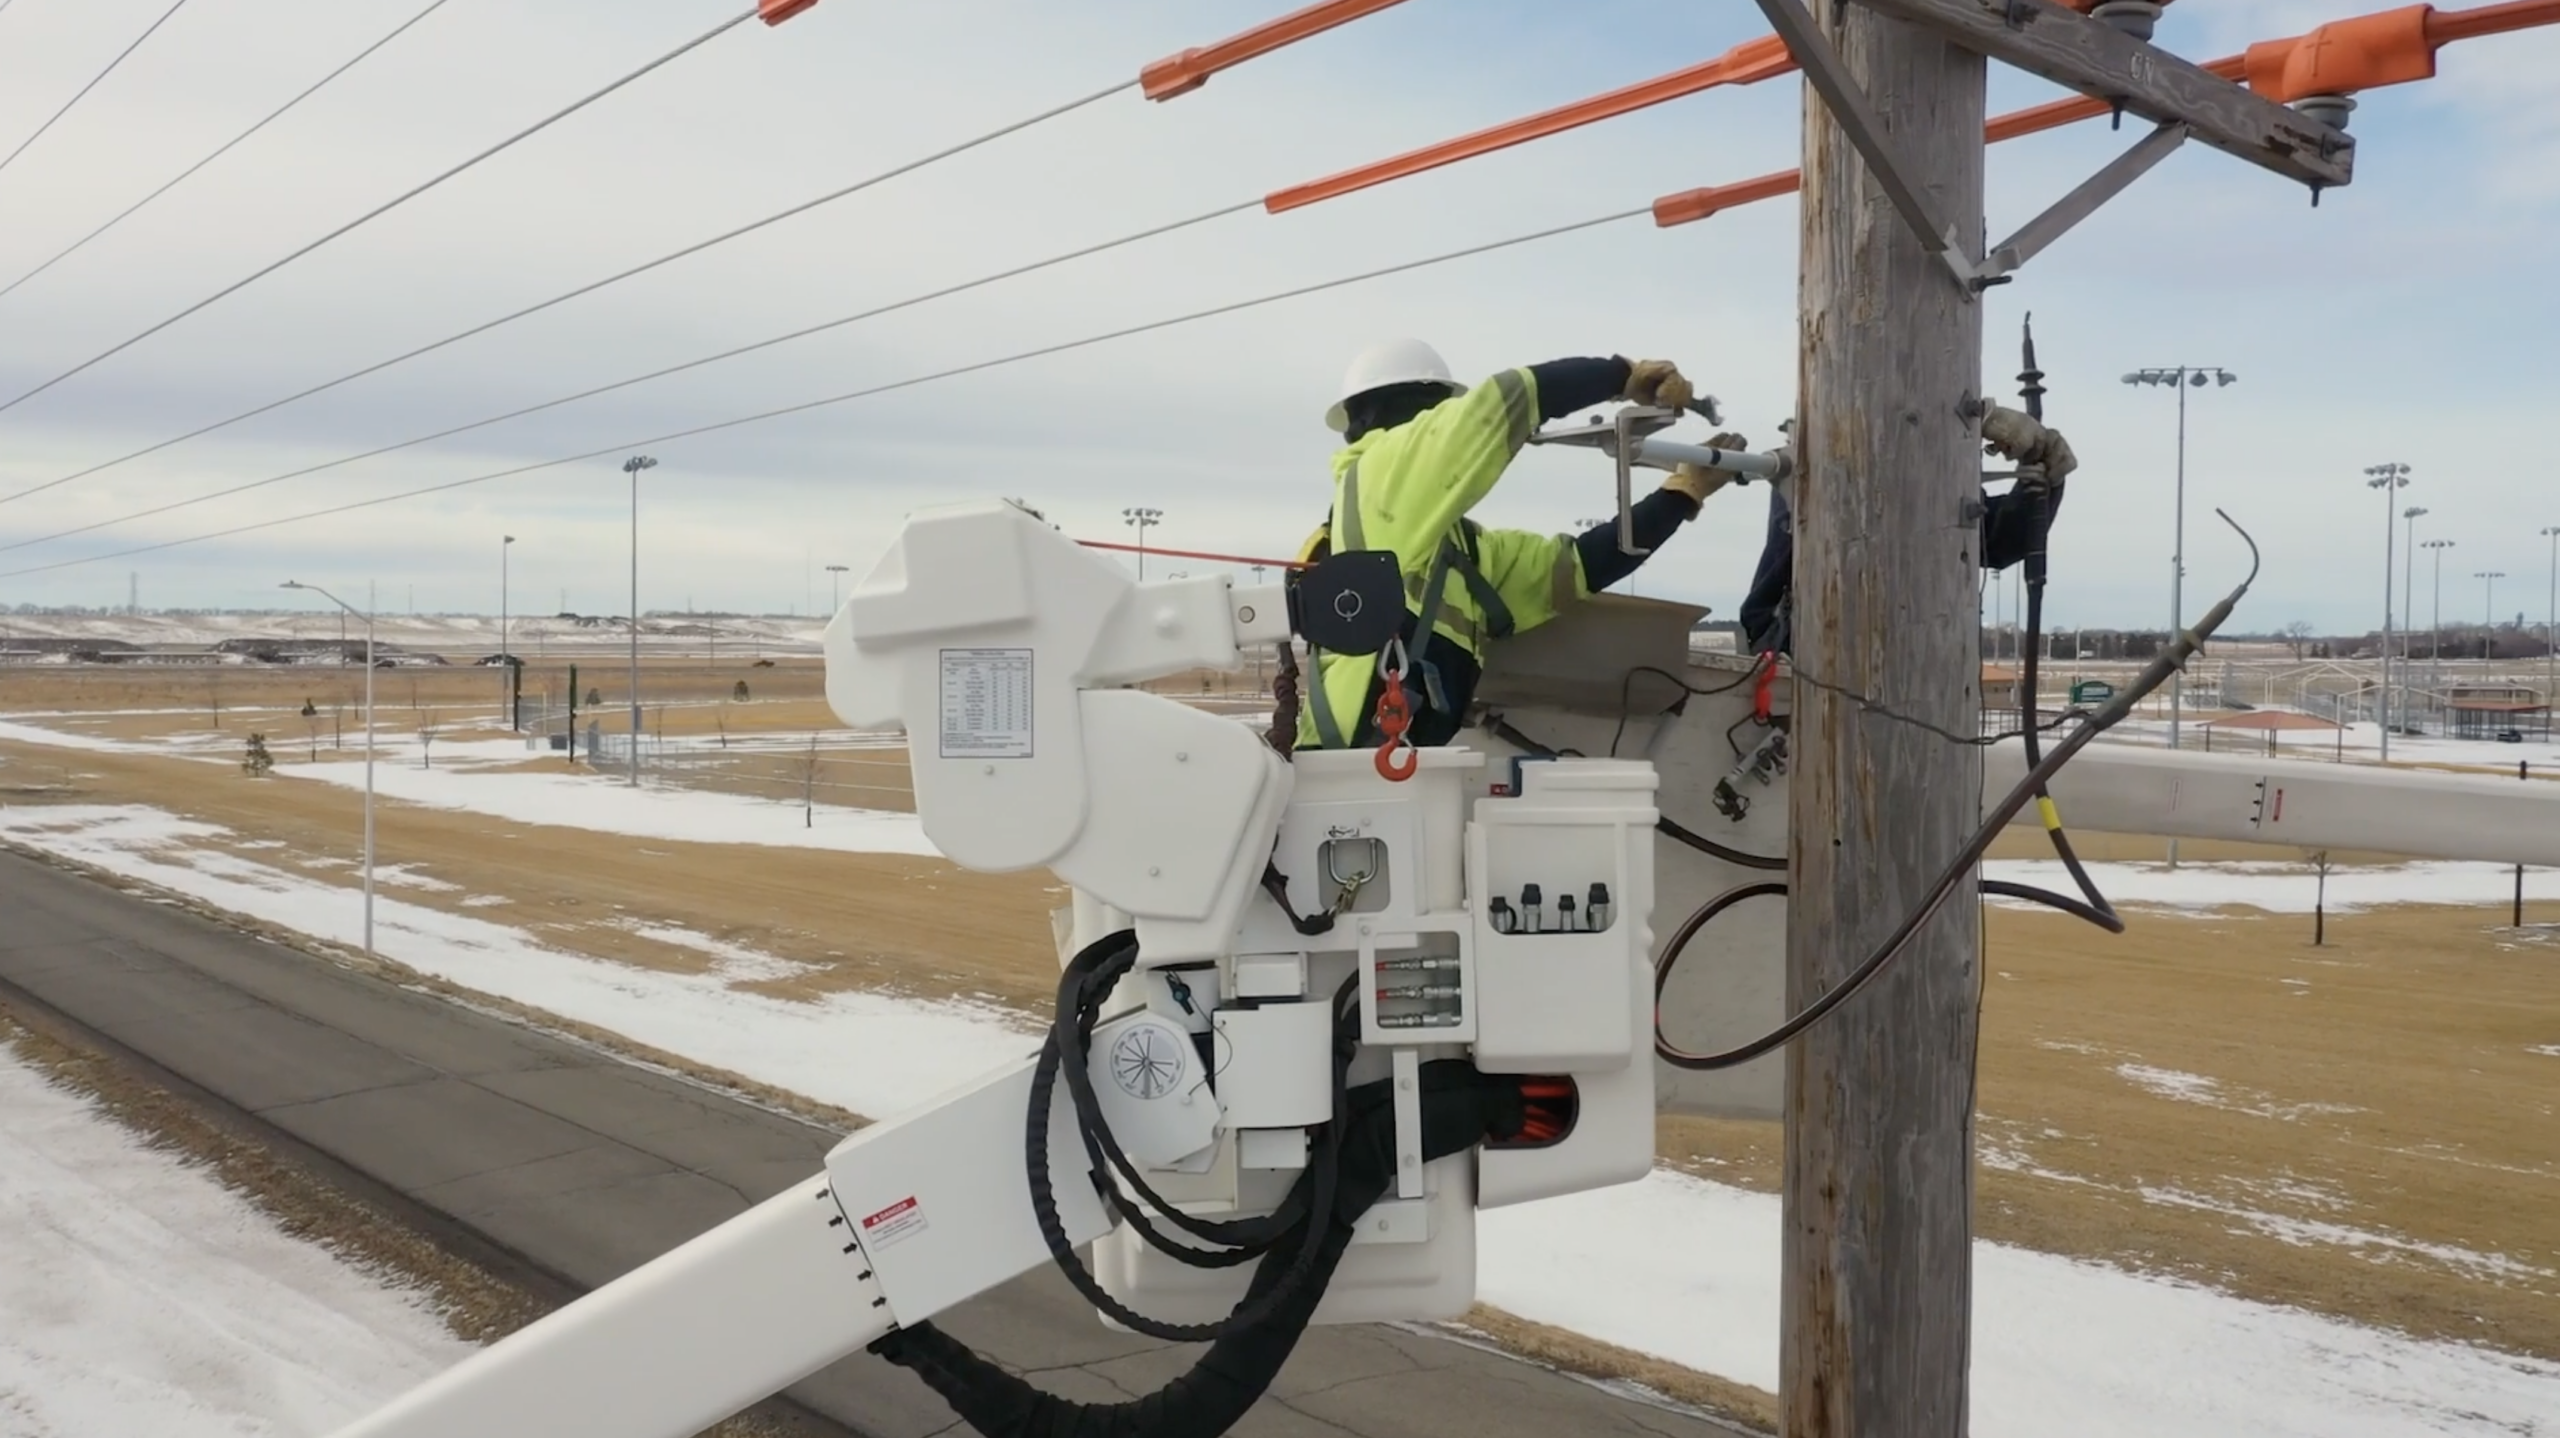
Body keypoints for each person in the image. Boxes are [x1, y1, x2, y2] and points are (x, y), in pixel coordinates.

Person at [1291, 338, 1748, 753]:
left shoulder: (1463, 551)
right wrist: (1618, 374)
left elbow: (1578, 566)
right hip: (1351, 758)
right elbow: (1505, 401)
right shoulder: (1378, 477)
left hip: (1399, 762)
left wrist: (1680, 495)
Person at [1735, 406, 2078, 657]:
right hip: (1807, 660)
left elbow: (1999, 542)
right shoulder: (1822, 459)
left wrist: (2041, 474)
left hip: (1930, 672)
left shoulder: (1940, 464)